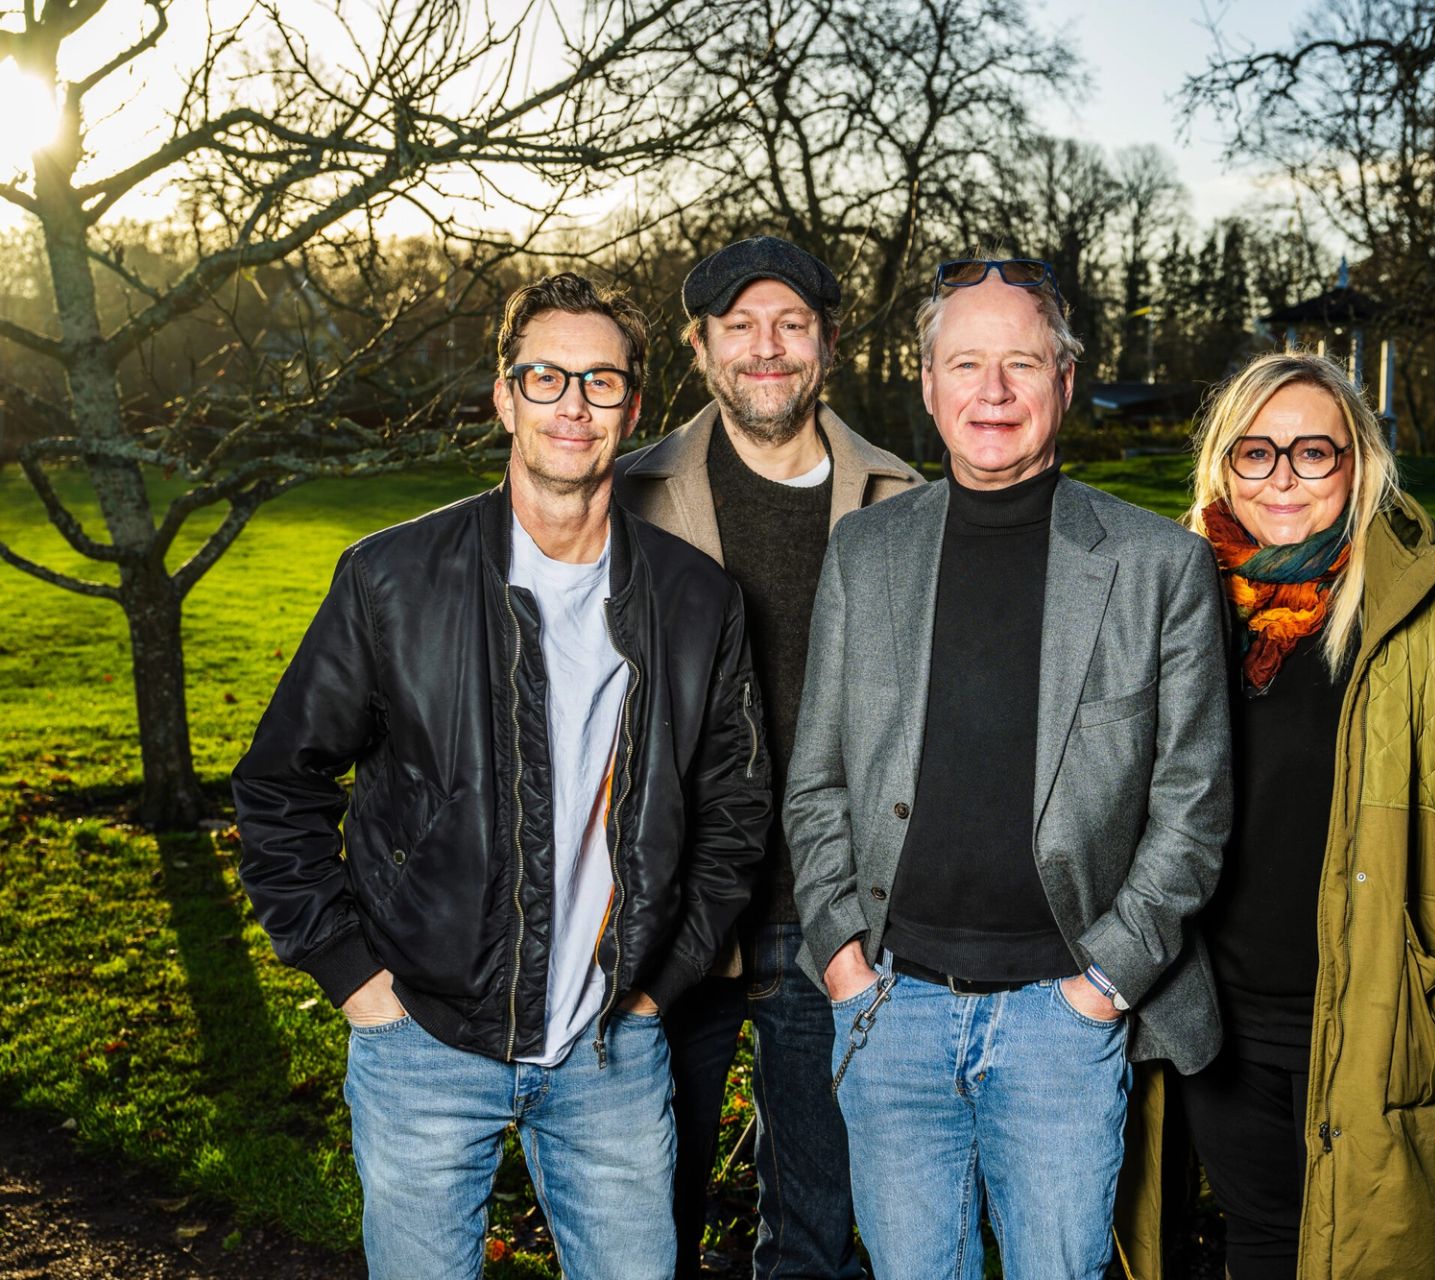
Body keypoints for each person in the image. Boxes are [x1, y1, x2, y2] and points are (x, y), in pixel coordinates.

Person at [232, 273, 770, 1280]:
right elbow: (279, 783)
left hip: (609, 1051)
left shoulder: (697, 599)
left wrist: (660, 985)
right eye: (546, 376)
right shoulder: (390, 577)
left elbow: (736, 810)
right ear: (504, 396)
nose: (573, 402)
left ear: (635, 404)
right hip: (423, 1042)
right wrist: (358, 984)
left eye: (600, 380)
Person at [784, 255, 1232, 1279]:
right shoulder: (865, 551)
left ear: (1065, 383)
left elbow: (1194, 806)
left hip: (1059, 1017)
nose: (993, 391)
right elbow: (815, 781)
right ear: (929, 382)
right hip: (890, 1006)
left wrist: (1105, 979)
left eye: (1021, 363)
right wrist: (845, 956)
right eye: (967, 363)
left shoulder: (1157, 564)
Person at [1176, 350, 1435, 1278]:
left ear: (1361, 465)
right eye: (1255, 452)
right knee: (1264, 1246)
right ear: (1222, 467)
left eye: (1314, 452)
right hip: (1222, 1024)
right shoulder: (1185, 605)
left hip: (1383, 1024)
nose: (1282, 478)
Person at [615, 234, 920, 1279]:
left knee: (818, 1235)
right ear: (701, 349)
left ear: (827, 343)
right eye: (739, 325)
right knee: (644, 1223)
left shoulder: (902, 498)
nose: (767, 347)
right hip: (668, 920)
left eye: (791, 323)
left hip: (835, 919)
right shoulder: (627, 496)